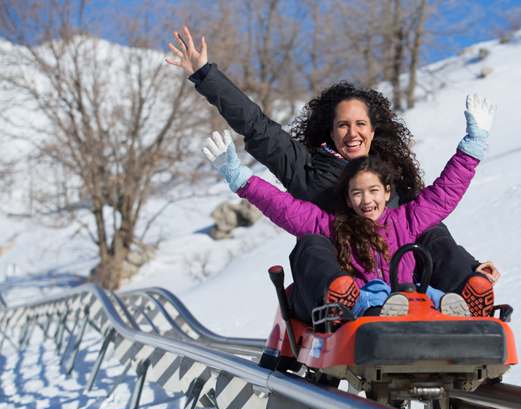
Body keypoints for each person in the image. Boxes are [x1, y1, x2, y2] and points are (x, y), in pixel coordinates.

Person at [166, 26, 500, 320]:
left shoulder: (391, 179)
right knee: (311, 242)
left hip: (403, 286)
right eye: (343, 125)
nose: (352, 133)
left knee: (431, 228)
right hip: (333, 286)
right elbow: (258, 128)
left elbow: (436, 208)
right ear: (331, 130)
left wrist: (471, 267)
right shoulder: (307, 168)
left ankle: (467, 290)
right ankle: (344, 298)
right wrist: (206, 75)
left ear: (373, 130)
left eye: (360, 124)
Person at [201, 92, 496, 319]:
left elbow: (444, 193)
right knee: (371, 292)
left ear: (387, 191)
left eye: (373, 191)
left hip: (411, 297)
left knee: (429, 292)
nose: (366, 200)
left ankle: (459, 303)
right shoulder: (332, 224)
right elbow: (282, 207)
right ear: (347, 197)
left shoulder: (407, 218)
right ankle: (359, 310)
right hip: (365, 299)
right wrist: (238, 176)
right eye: (357, 193)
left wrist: (474, 142)